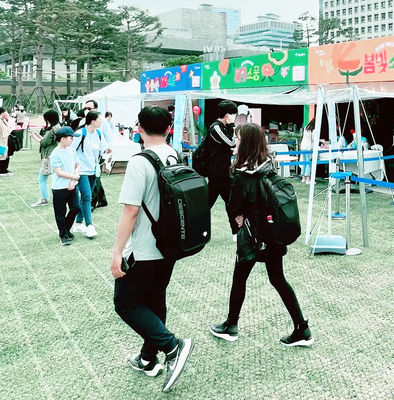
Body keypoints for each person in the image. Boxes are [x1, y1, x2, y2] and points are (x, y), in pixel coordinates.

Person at [111, 106, 193, 392]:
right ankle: (148, 358)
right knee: (155, 299)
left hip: (145, 248)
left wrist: (117, 251)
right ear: (169, 128)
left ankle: (172, 347)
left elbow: (131, 211)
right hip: (170, 246)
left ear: (139, 128)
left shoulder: (139, 161)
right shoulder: (174, 154)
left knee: (125, 302)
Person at [210, 123, 313, 347]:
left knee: (240, 279)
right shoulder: (268, 166)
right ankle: (301, 328)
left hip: (252, 237)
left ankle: (231, 325)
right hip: (272, 234)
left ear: (245, 142)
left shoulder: (242, 175)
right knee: (277, 279)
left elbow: (233, 207)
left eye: (237, 139)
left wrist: (239, 218)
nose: (234, 142)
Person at [71, 110, 106, 238]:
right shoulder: (80, 133)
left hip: (93, 168)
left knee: (87, 196)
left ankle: (79, 223)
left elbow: (103, 148)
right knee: (87, 197)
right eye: (99, 119)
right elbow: (71, 150)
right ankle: (89, 225)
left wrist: (106, 153)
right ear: (92, 121)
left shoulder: (98, 133)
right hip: (81, 170)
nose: (101, 121)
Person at [49, 126, 81, 246]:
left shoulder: (72, 150)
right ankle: (64, 235)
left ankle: (65, 230)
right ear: (62, 139)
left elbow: (77, 165)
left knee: (75, 208)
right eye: (70, 138)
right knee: (60, 213)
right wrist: (74, 178)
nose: (72, 140)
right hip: (59, 188)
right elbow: (59, 172)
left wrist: (74, 180)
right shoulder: (55, 154)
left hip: (72, 185)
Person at [205, 100, 238, 208]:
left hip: (223, 171)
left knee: (231, 202)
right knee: (208, 202)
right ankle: (197, 222)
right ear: (227, 114)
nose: (235, 117)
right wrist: (232, 125)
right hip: (217, 172)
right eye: (233, 114)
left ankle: (236, 223)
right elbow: (232, 143)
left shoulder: (221, 127)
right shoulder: (216, 128)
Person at [30, 109, 61, 207]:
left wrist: (34, 137)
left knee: (42, 178)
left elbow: (44, 143)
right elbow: (47, 141)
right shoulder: (58, 127)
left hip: (49, 156)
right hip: (54, 155)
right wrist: (38, 136)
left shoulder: (52, 129)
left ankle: (44, 199)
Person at [300, 118, 315, 184]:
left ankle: (303, 178)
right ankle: (308, 179)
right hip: (308, 147)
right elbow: (314, 139)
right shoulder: (313, 129)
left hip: (303, 146)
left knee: (304, 163)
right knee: (309, 163)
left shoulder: (306, 127)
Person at [0, 107, 14, 176]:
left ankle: (4, 169)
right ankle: (2, 170)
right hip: (1, 141)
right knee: (1, 155)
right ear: (2, 113)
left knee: (4, 155)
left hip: (4, 140)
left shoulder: (3, 120)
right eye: (5, 112)